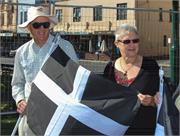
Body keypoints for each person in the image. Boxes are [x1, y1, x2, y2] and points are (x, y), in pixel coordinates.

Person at [11, 6, 78, 136]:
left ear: (50, 26)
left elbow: (76, 79)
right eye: (36, 25)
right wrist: (20, 101)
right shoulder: (21, 52)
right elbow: (17, 83)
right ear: (29, 27)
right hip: (30, 115)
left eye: (45, 24)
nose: (42, 29)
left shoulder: (65, 47)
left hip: (58, 114)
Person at [103, 24, 160, 135]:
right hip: (116, 129)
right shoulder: (109, 68)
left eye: (135, 40)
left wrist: (152, 101)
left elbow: (162, 98)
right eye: (127, 41)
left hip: (144, 129)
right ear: (117, 44)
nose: (132, 45)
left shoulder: (151, 66)